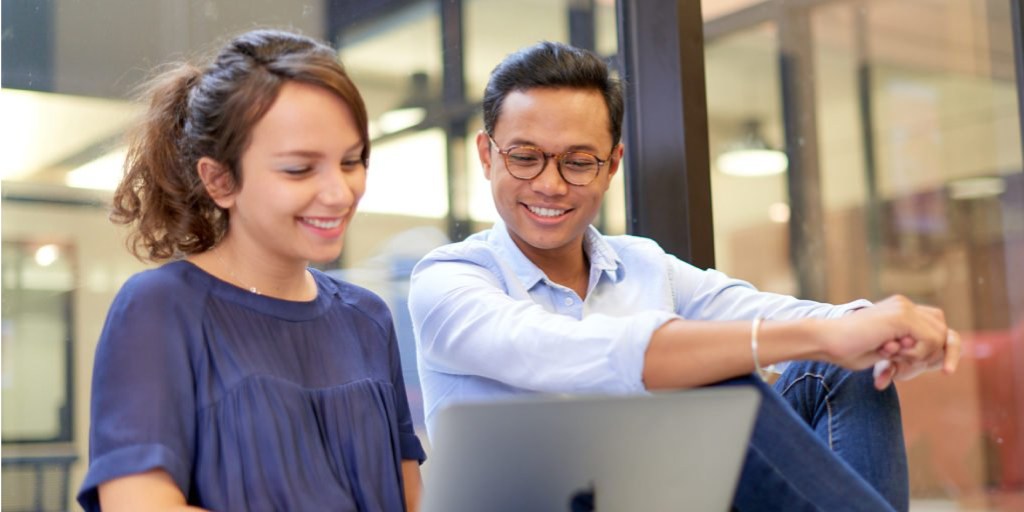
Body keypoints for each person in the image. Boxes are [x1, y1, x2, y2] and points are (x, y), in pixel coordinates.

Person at [408, 41, 961, 512]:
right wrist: (826, 336)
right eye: (525, 157)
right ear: (487, 155)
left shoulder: (643, 264)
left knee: (844, 371)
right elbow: (575, 351)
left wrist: (884, 327)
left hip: (676, 497)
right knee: (720, 380)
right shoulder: (451, 279)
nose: (550, 185)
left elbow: (762, 311)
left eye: (578, 162)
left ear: (612, 164)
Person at [77, 29, 425, 512]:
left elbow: (409, 498)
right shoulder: (160, 308)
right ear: (220, 179)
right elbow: (140, 504)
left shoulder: (368, 319)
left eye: (352, 161)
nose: (339, 193)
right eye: (300, 170)